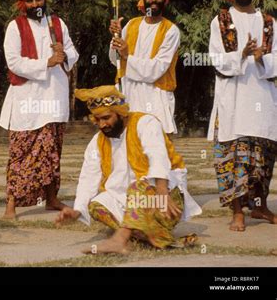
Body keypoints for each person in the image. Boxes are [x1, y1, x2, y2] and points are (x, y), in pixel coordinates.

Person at [56, 86, 201, 254]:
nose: (102, 124)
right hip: (130, 204)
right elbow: (88, 177)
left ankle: (120, 239)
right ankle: (148, 236)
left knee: (138, 186)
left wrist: (162, 190)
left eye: (106, 118)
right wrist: (77, 210)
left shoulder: (145, 123)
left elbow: (158, 156)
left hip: (164, 199)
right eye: (97, 120)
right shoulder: (98, 141)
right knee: (96, 205)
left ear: (121, 113)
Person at [0, 0, 79, 219]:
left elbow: (73, 53)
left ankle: (52, 198)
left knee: (52, 150)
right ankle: (11, 203)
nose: (35, 4)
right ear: (23, 3)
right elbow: (14, 63)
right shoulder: (15, 27)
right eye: (30, 1)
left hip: (53, 96)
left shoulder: (57, 24)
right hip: (27, 100)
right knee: (21, 151)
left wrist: (64, 55)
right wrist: (46, 62)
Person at [208, 0, 277, 231]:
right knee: (233, 157)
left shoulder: (270, 23)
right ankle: (237, 212)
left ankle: (260, 207)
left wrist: (262, 58)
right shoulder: (221, 21)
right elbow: (216, 60)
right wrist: (242, 55)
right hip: (233, 101)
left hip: (261, 98)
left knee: (261, 158)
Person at [109, 0, 180, 134]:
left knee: (157, 153)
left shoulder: (171, 30)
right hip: (130, 95)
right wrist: (115, 39)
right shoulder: (131, 25)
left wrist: (127, 55)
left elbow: (157, 69)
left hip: (156, 99)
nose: (154, 0)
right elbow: (114, 61)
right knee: (128, 154)